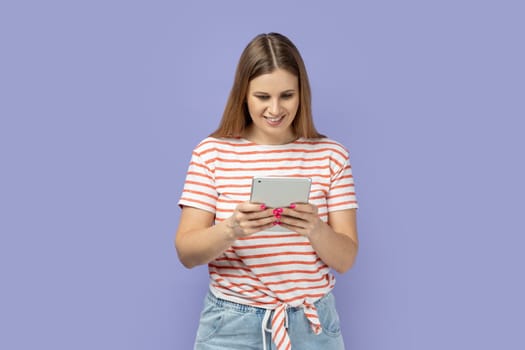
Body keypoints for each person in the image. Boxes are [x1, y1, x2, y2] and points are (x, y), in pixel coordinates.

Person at [175, 32, 359, 350]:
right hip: (230, 327)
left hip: (311, 326)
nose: (275, 109)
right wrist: (231, 229)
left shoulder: (332, 156)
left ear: (302, 94)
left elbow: (345, 260)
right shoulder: (211, 153)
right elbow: (186, 253)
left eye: (286, 95)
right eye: (263, 97)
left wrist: (315, 229)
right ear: (243, 94)